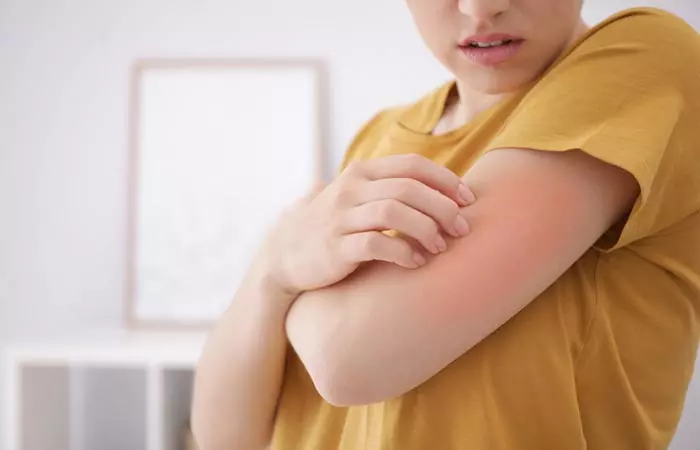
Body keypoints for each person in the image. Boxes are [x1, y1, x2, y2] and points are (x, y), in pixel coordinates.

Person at [191, 1, 700, 449]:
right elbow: (226, 436)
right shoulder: (378, 136)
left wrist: (288, 274)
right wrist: (273, 268)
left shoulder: (648, 59)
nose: (482, 8)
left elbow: (349, 361)